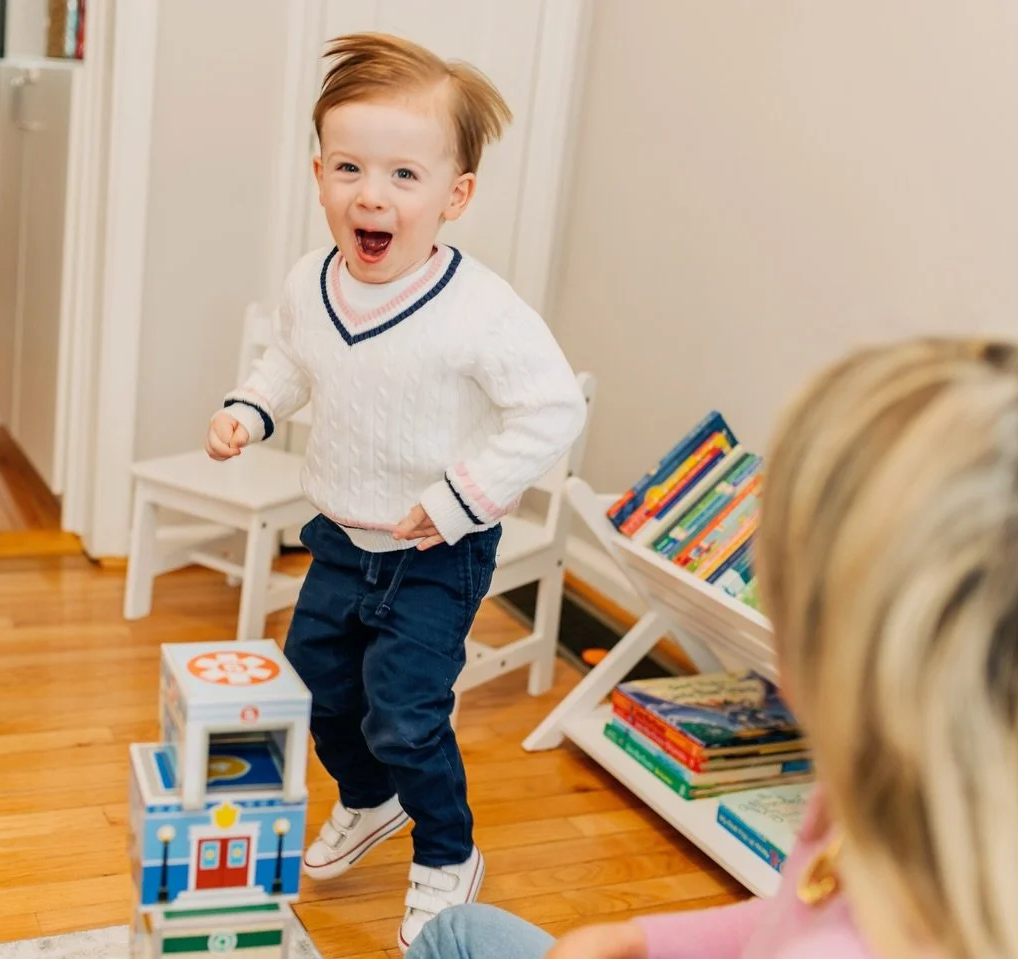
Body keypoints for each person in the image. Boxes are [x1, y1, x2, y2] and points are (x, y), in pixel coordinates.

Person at [408, 336, 1018, 959]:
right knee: (459, 931)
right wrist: (640, 937)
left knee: (454, 938)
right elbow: (786, 917)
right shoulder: (937, 803)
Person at [203, 32, 587, 952]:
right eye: (349, 167)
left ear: (453, 196)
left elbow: (551, 409)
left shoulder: (482, 311)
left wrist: (462, 495)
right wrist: (252, 409)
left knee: (406, 712)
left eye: (403, 176)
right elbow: (293, 359)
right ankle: (370, 801)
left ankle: (447, 852)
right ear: (319, 174)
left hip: (436, 550)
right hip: (341, 532)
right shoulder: (311, 280)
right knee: (323, 693)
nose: (370, 194)